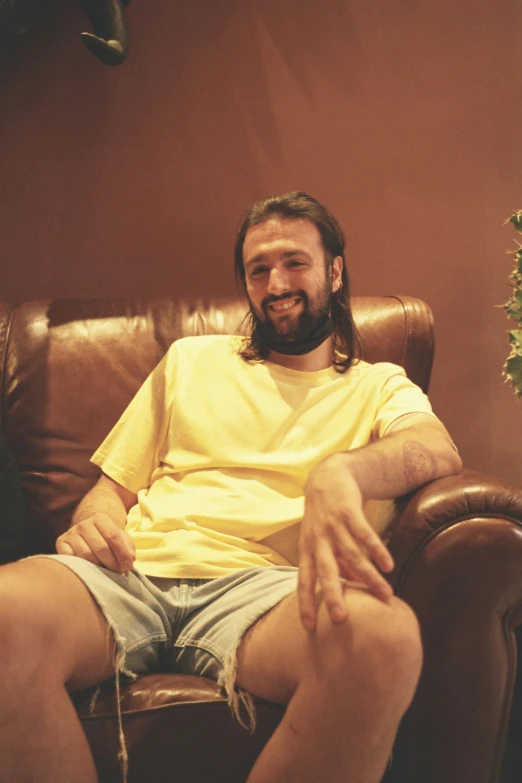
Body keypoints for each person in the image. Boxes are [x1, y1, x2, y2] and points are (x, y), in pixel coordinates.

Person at [0, 192, 461, 783]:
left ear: (335, 271)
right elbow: (109, 491)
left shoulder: (377, 385)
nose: (276, 282)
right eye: (258, 269)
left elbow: (436, 448)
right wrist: (95, 522)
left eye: (294, 262)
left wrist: (341, 472)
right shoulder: (191, 359)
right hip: (131, 572)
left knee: (385, 642)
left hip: (264, 592)